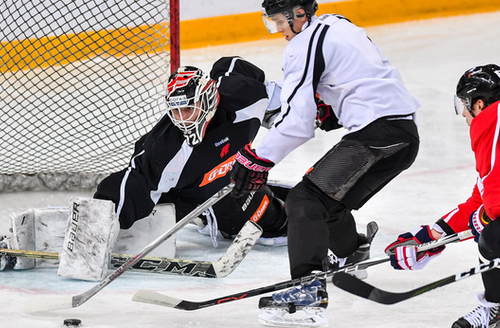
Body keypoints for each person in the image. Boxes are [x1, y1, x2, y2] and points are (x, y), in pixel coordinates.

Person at [229, 0, 421, 326]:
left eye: (279, 21)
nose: (278, 30)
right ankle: (350, 252)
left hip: (374, 133)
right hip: (404, 135)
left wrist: (256, 160)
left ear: (299, 14)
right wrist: (330, 104)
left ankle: (306, 291)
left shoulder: (302, 46)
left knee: (305, 200)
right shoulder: (338, 23)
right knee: (328, 204)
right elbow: (359, 75)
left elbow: (296, 123)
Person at [93, 56, 289, 247]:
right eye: (176, 111)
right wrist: (99, 223)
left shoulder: (243, 95)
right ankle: (208, 217)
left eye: (188, 109)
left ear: (208, 99)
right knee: (252, 216)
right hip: (190, 197)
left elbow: (231, 65)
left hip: (227, 180)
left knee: (275, 219)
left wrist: (283, 111)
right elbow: (134, 181)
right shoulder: (166, 149)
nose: (182, 119)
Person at [385, 64, 500, 328]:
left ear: (479, 104)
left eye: (465, 104)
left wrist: (484, 219)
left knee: (492, 235)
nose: (463, 114)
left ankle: (496, 307)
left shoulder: (492, 121)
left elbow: (492, 208)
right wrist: (431, 236)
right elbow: (481, 200)